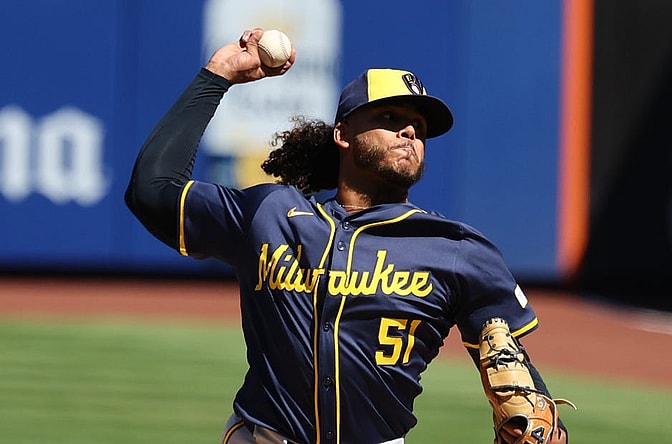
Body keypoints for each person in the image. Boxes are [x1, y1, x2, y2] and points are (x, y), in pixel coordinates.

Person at [125, 28, 569, 444]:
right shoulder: (271, 214)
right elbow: (152, 190)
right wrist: (218, 74)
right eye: (391, 117)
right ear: (342, 134)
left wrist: (544, 427)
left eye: (419, 125)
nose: (410, 131)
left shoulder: (456, 250)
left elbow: (514, 371)